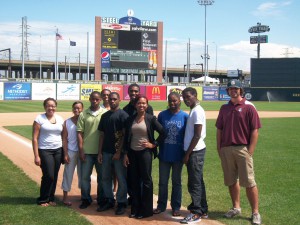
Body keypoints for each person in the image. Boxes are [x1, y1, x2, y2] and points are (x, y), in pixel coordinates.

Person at [216, 79, 262, 225]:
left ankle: (255, 212)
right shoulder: (224, 108)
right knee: (231, 180)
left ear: (241, 90)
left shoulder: (249, 107)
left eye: (236, 89)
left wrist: (250, 151)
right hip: (226, 149)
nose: (233, 91)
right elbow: (219, 129)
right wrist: (219, 148)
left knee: (249, 182)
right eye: (230, 89)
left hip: (242, 148)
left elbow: (255, 130)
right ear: (227, 91)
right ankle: (236, 207)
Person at [123, 95, 165, 219]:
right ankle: (135, 208)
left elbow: (163, 133)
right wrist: (125, 153)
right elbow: (126, 138)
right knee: (134, 181)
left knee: (146, 181)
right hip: (132, 153)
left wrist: (153, 144)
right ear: (135, 105)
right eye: (139, 103)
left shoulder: (151, 118)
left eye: (144, 103)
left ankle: (146, 210)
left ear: (147, 105)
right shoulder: (130, 119)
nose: (141, 105)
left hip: (145, 153)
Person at [153, 92, 188, 217]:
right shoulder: (162, 115)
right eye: (170, 101)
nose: (172, 103)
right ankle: (161, 205)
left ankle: (176, 206)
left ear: (180, 101)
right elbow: (158, 132)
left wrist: (186, 154)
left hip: (178, 156)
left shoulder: (184, 116)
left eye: (175, 100)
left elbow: (187, 136)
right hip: (164, 154)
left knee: (176, 182)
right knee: (163, 182)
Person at [180, 87, 208, 224]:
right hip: (195, 151)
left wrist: (187, 154)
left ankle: (196, 213)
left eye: (188, 96)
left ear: (195, 95)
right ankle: (203, 209)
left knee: (194, 183)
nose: (186, 99)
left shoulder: (197, 111)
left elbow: (197, 135)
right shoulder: (195, 109)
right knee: (198, 181)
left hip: (195, 152)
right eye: (184, 97)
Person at [97, 92, 129, 215]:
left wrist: (119, 152)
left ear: (119, 100)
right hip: (106, 152)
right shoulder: (104, 116)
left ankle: (121, 202)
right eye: (110, 99)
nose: (112, 101)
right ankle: (109, 200)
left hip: (118, 154)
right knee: (105, 177)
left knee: (121, 179)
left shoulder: (123, 115)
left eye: (114, 99)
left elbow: (125, 136)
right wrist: (99, 152)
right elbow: (102, 135)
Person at [123, 83, 154, 205]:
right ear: (128, 92)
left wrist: (152, 144)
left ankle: (143, 200)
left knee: (144, 176)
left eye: (136, 91)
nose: (133, 93)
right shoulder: (126, 109)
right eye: (131, 91)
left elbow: (151, 126)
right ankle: (134, 198)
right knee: (132, 176)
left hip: (144, 148)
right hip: (131, 148)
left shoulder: (148, 108)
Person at [77, 91, 107, 209]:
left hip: (101, 152)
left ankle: (101, 198)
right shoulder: (83, 114)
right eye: (92, 99)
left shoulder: (105, 113)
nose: (94, 101)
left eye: (97, 99)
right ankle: (85, 199)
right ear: (89, 99)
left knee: (102, 177)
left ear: (100, 100)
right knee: (85, 177)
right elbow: (80, 133)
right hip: (87, 151)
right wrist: (81, 150)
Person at [32, 97, 64, 206]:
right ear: (45, 107)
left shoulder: (60, 119)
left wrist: (65, 152)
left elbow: (64, 137)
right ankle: (43, 199)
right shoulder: (39, 118)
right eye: (49, 106)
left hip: (58, 150)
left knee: (54, 175)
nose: (51, 108)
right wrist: (36, 156)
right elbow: (35, 138)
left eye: (53, 106)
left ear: (56, 107)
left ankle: (51, 198)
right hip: (45, 150)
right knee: (48, 175)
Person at [61, 101, 84, 206]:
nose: (76, 110)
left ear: (82, 109)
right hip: (71, 151)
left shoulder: (85, 121)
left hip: (83, 151)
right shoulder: (67, 122)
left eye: (79, 108)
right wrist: (65, 154)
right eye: (75, 108)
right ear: (72, 109)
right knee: (68, 173)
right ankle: (65, 197)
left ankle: (84, 196)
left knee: (83, 174)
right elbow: (64, 139)